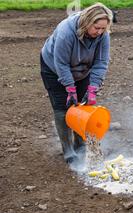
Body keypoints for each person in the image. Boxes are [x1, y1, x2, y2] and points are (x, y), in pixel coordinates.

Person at [40, 3, 113, 164]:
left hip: (82, 70)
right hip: (54, 68)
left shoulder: (103, 35)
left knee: (84, 105)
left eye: (103, 28)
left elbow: (101, 62)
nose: (100, 32)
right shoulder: (67, 32)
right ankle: (68, 151)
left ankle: (80, 145)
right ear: (87, 22)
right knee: (62, 109)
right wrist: (70, 89)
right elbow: (61, 63)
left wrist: (93, 88)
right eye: (97, 28)